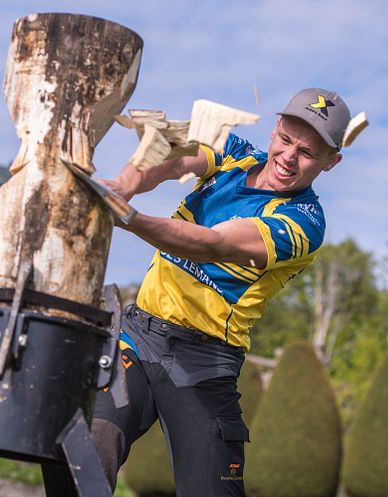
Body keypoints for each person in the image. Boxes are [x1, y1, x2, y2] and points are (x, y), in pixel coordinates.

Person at [91, 88, 352, 497]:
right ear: (275, 129)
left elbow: (212, 243)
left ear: (330, 162)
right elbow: (169, 158)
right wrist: (123, 186)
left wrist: (128, 217)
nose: (287, 157)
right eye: (285, 140)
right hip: (137, 338)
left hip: (204, 362)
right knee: (86, 447)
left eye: (306, 153)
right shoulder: (235, 154)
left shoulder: (303, 222)